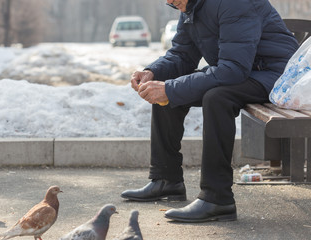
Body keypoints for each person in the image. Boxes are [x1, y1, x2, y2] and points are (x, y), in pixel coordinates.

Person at [121, 0, 299, 223]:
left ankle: (218, 199)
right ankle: (166, 180)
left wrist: (170, 89)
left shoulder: (235, 3)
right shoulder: (190, 6)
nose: (171, 3)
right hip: (244, 71)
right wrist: (152, 72)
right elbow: (183, 54)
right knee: (165, 85)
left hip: (278, 77)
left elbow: (233, 70)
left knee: (217, 97)